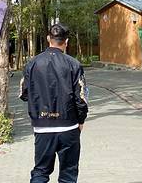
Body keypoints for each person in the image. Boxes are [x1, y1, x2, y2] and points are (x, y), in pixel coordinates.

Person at [20, 24, 88, 183]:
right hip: (68, 126)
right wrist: (81, 120)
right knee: (68, 174)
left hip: (42, 125)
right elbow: (81, 98)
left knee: (40, 172)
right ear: (66, 42)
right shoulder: (74, 64)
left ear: (48, 39)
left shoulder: (32, 63)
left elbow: (24, 93)